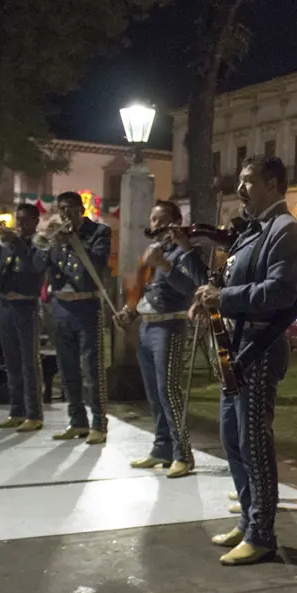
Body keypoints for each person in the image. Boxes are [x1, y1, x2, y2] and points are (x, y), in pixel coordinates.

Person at [192, 156, 297, 566]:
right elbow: (232, 279)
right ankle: (247, 519)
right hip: (235, 348)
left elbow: (281, 292)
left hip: (259, 347)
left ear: (273, 185)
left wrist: (223, 298)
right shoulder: (252, 229)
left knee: (254, 443)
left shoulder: (285, 230)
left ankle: (262, 533)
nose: (240, 189)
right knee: (232, 439)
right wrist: (210, 295)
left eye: (248, 181)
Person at [115, 200, 208, 478]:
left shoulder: (184, 251)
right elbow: (142, 288)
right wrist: (129, 311)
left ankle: (183, 454)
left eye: (163, 219)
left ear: (176, 222)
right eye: (154, 219)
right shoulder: (152, 251)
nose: (156, 225)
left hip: (170, 326)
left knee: (169, 391)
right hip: (146, 325)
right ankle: (161, 448)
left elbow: (189, 288)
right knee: (153, 393)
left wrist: (164, 265)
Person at [45, 191, 113, 444]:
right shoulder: (56, 237)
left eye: (70, 208)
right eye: (62, 209)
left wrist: (73, 240)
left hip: (86, 306)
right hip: (61, 307)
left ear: (81, 210)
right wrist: (49, 242)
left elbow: (95, 264)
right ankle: (77, 421)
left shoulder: (99, 232)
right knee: (67, 368)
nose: (66, 214)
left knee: (92, 368)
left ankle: (99, 423)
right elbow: (41, 265)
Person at [0, 204, 49, 431]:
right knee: (11, 362)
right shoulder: (7, 244)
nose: (20, 225)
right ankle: (16, 410)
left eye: (25, 220)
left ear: (36, 221)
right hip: (5, 306)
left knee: (29, 363)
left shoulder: (39, 243)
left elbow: (34, 267)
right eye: (18, 220)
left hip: (26, 307)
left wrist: (16, 243)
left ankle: (34, 414)